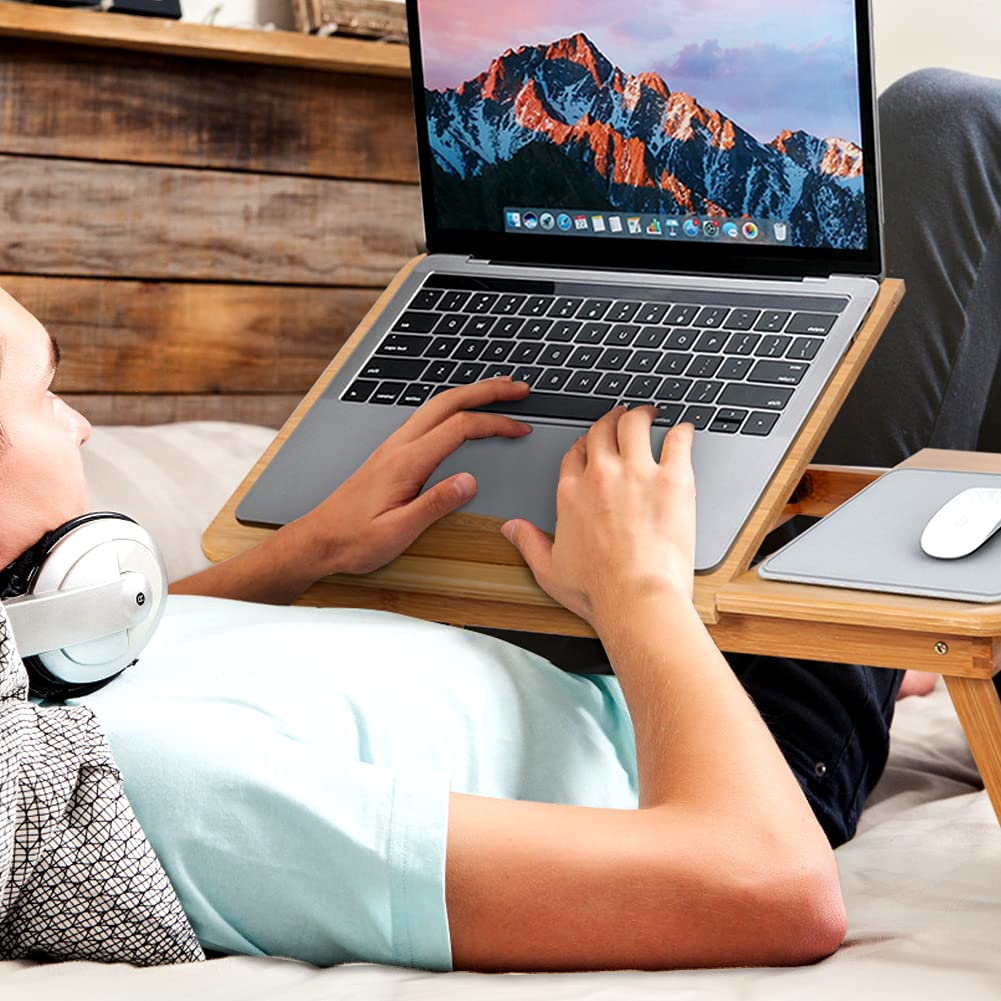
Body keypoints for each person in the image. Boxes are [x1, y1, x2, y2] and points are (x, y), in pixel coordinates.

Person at [0, 66, 997, 974]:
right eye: (49, 396)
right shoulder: (146, 786)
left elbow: (122, 656)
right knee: (949, 125)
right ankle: (891, 648)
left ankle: (903, 651)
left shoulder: (47, 643)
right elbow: (768, 884)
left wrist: (311, 546)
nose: (83, 424)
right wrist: (641, 591)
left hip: (548, 625)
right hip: (707, 721)